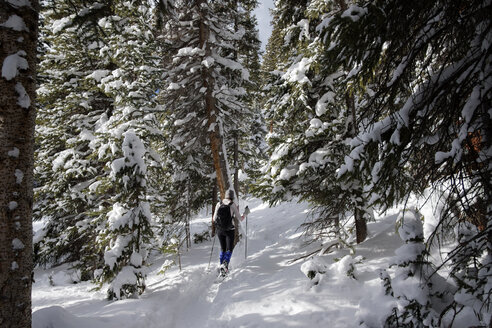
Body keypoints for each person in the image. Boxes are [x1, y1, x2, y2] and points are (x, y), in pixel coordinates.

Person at [212, 189, 244, 276]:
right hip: (230, 230)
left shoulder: (219, 204)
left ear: (225, 196)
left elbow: (214, 219)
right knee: (229, 249)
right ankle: (225, 265)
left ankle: (222, 267)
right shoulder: (232, 204)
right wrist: (245, 214)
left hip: (220, 230)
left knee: (223, 248)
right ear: (232, 197)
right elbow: (240, 218)